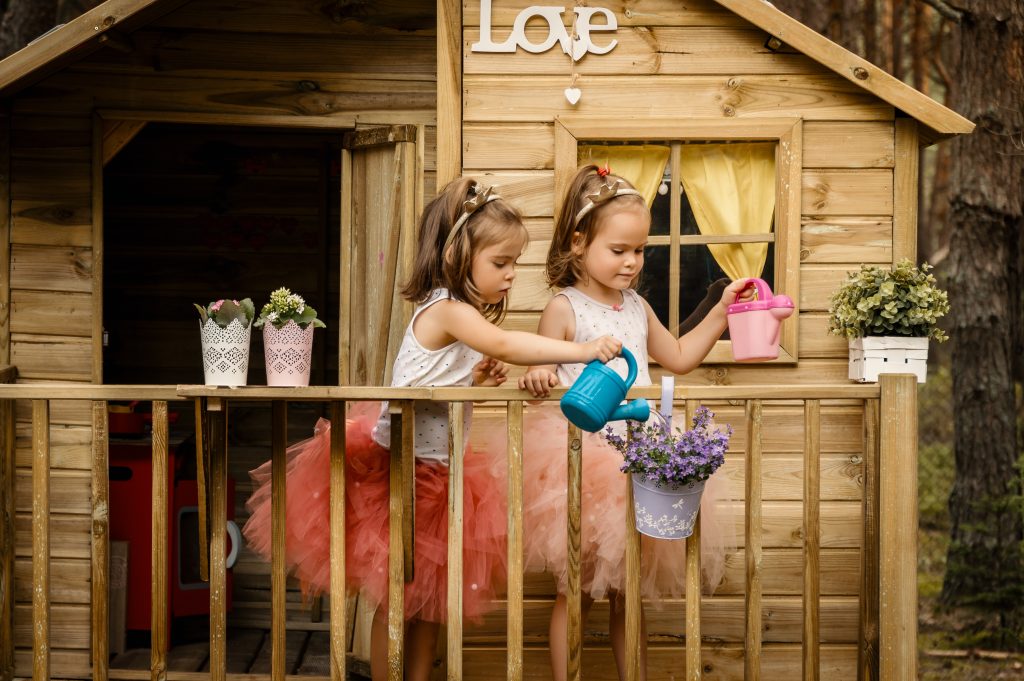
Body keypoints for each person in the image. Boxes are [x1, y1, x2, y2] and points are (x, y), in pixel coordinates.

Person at [243, 177, 622, 681]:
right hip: (400, 472)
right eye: (501, 263)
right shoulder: (447, 309)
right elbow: (507, 346)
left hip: (437, 474)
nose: (511, 276)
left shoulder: (460, 316)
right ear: (458, 256)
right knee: (400, 596)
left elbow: (451, 382)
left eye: (515, 263)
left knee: (429, 601)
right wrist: (582, 350)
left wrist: (477, 379)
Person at [517, 164, 751, 681]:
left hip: (639, 461)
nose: (632, 261)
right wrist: (537, 373)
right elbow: (541, 362)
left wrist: (721, 311)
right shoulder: (564, 308)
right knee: (574, 590)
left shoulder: (639, 308)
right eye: (618, 250)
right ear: (579, 244)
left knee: (628, 592)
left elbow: (681, 355)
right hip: (582, 465)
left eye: (639, 250)